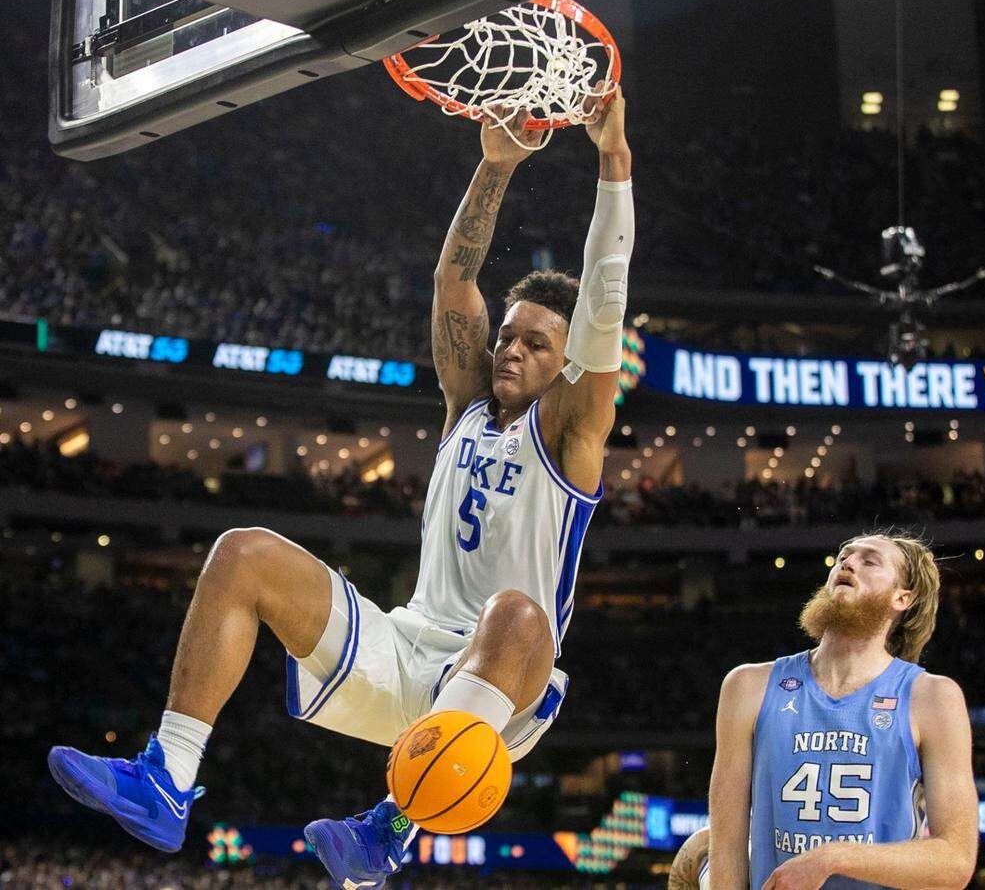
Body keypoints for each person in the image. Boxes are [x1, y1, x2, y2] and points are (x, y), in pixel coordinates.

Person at [48, 90, 634, 890]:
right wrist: (494, 167)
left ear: (564, 363)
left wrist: (613, 161)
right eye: (506, 335)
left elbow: (603, 308)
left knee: (518, 612)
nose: (509, 349)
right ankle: (167, 776)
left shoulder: (571, 432)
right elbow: (453, 278)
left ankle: (391, 827)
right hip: (404, 653)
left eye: (536, 344)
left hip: (503, 687)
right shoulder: (466, 405)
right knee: (241, 553)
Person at [708, 531, 978, 890]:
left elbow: (955, 862)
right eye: (844, 556)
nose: (847, 563)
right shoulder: (746, 687)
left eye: (869, 561)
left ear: (903, 597)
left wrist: (832, 857)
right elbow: (726, 849)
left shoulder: (933, 698)